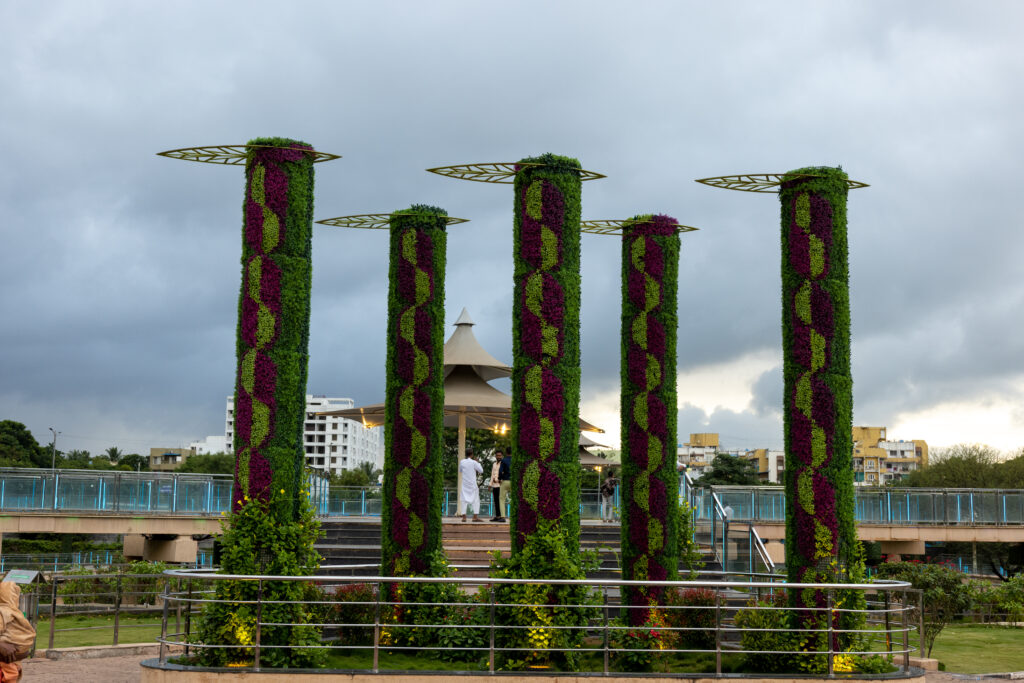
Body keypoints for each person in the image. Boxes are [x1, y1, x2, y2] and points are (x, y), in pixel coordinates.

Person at [0, 582, 35, 682]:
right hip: (6, 660)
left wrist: (21, 648)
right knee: (10, 674)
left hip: (12, 657)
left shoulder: (12, 611)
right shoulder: (3, 611)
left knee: (12, 673)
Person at [458, 451, 484, 522]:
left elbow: (460, 470)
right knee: (476, 500)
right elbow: (481, 471)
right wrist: (477, 462)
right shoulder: (474, 462)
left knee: (463, 500)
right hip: (472, 485)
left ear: (466, 454)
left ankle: (464, 517)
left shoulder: (462, 462)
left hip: (465, 485)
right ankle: (475, 517)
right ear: (472, 454)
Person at [488, 452, 503, 522]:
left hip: (500, 485)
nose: (498, 457)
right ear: (495, 456)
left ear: (502, 456)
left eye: (500, 455)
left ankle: (501, 517)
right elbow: (492, 475)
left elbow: (504, 474)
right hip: (494, 486)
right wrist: (490, 485)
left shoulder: (503, 464)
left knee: (500, 502)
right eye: (497, 455)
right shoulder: (494, 464)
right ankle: (497, 516)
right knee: (496, 501)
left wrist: (498, 480)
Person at [498, 450, 512, 522]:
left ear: (506, 453)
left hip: (505, 481)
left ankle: (503, 517)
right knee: (514, 499)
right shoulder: (515, 460)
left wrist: (500, 478)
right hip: (513, 482)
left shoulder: (503, 460)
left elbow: (500, 471)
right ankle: (514, 516)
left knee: (502, 499)